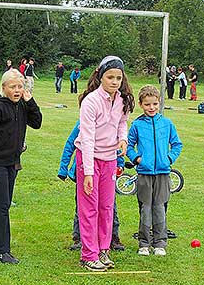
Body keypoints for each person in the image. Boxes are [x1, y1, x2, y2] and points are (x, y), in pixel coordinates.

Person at [74, 56, 134, 272]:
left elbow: (122, 123)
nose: (115, 81)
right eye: (110, 77)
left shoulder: (122, 100)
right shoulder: (91, 101)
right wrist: (88, 173)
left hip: (110, 159)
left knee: (106, 207)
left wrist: (123, 139)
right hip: (88, 159)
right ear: (101, 77)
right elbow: (87, 138)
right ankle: (89, 254)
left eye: (118, 77)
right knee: (89, 208)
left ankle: (103, 250)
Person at [0, 69, 42, 264]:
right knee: (2, 206)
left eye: (20, 86)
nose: (17, 90)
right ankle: (2, 250)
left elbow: (37, 123)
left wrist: (30, 102)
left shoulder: (22, 105)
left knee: (0, 204)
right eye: (13, 87)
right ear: (4, 88)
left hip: (12, 163)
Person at [127, 85, 182, 257]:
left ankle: (160, 243)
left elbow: (177, 144)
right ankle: (144, 243)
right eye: (147, 104)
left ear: (159, 104)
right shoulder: (136, 125)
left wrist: (169, 158)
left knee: (159, 208)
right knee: (145, 208)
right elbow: (128, 145)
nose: (151, 108)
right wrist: (136, 158)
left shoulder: (166, 123)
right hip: (144, 173)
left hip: (163, 173)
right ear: (141, 105)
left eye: (155, 104)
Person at [58, 120, 125, 252]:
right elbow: (70, 144)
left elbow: (116, 147)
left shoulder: (110, 122)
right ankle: (80, 238)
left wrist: (120, 164)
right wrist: (63, 169)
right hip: (85, 172)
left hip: (105, 171)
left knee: (109, 206)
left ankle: (113, 237)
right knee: (83, 208)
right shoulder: (82, 123)